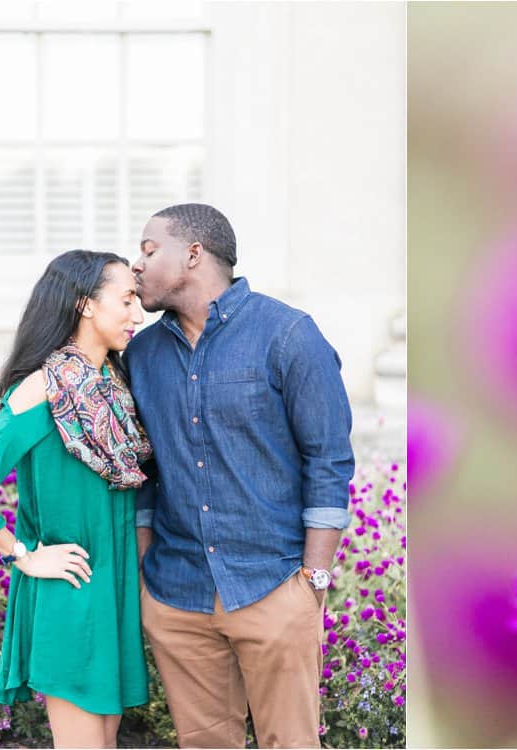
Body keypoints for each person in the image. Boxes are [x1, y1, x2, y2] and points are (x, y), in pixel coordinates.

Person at [125, 203, 354, 748]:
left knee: (291, 744)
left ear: (193, 255)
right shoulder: (142, 353)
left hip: (273, 586)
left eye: (149, 250)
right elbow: (143, 473)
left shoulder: (289, 336)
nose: (136, 265)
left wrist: (312, 584)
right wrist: (143, 576)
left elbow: (329, 461)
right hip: (176, 593)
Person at [0, 250, 151, 749]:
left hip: (114, 590)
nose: (138, 314)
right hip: (71, 588)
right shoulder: (43, 389)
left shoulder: (113, 386)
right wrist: (24, 556)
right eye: (126, 300)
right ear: (85, 305)